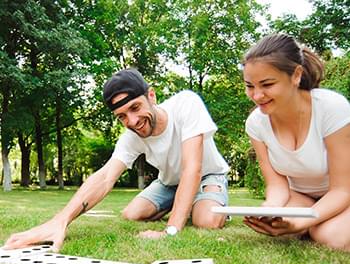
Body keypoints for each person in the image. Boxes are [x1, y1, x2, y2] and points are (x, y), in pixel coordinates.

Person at [4, 68, 229, 251]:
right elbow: (104, 178)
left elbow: (192, 168)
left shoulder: (186, 104)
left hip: (206, 174)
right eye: (122, 116)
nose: (132, 121)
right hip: (169, 182)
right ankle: (187, 203)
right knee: (132, 214)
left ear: (151, 96)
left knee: (206, 221)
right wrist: (60, 220)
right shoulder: (131, 136)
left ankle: (199, 204)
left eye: (135, 107)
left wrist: (171, 229)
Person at [242, 33, 350, 251]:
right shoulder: (256, 123)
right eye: (250, 86)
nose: (257, 95)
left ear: (296, 75)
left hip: (343, 193)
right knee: (280, 225)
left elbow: (342, 190)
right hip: (301, 195)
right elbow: (276, 184)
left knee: (330, 236)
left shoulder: (332, 108)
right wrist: (270, 208)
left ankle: (318, 224)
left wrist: (303, 222)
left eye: (267, 84)